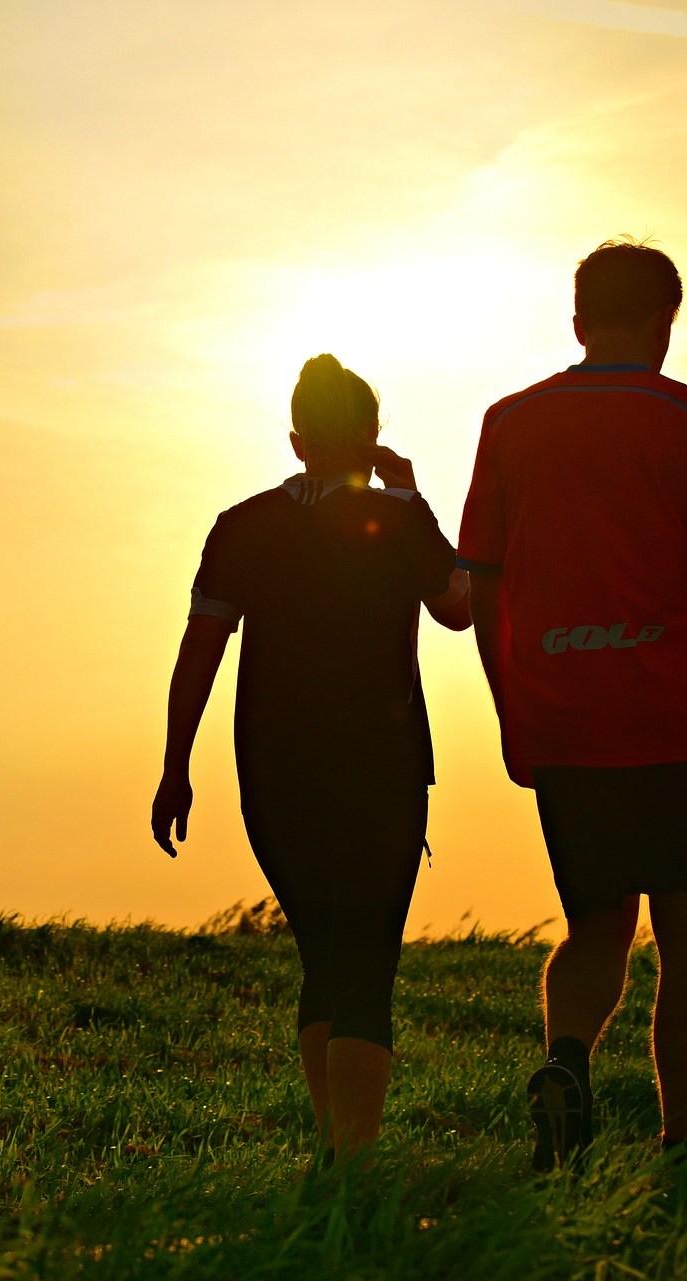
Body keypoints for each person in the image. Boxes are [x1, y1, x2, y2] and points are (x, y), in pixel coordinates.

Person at [457, 239, 687, 1170]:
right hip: (678, 721)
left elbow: (482, 582)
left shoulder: (508, 422)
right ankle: (682, 1144)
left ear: (578, 321)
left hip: (564, 714)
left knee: (594, 924)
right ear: (664, 320)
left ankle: (567, 1059)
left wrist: (510, 706)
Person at [151, 354, 470, 1165]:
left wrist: (174, 766)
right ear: (372, 437)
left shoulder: (242, 524)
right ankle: (351, 1167)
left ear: (296, 442)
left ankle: (334, 1152)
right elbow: (459, 608)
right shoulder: (399, 517)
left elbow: (199, 650)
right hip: (381, 766)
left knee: (324, 955)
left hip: (271, 770)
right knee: (366, 960)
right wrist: (414, 496)